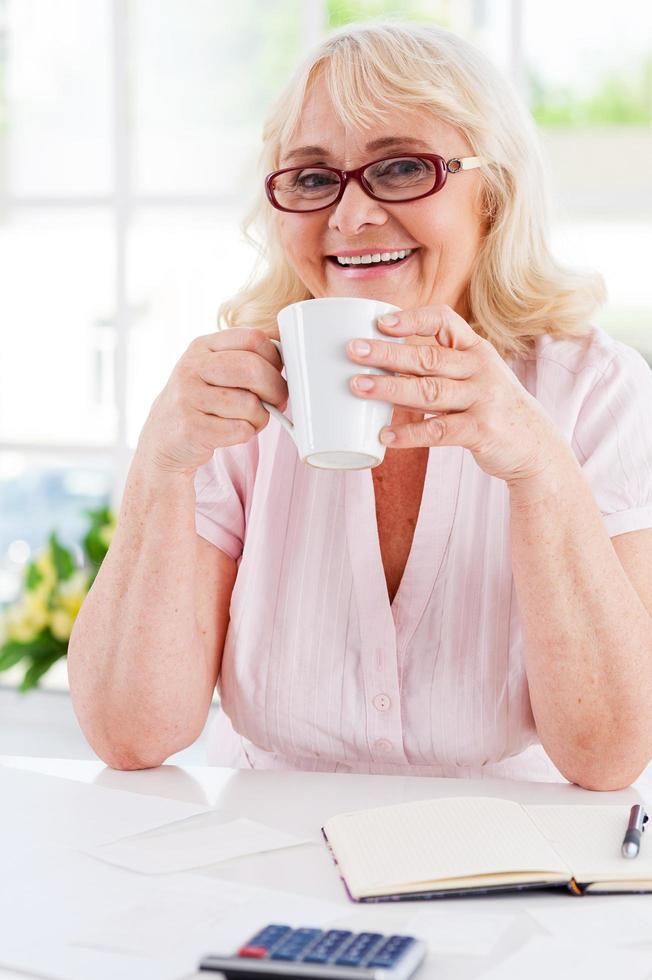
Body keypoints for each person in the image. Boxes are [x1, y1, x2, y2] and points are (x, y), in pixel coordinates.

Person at [68, 20, 652, 790]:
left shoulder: (594, 389)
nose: (349, 217)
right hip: (266, 860)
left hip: (507, 867)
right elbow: (130, 733)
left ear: (493, 196)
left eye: (403, 167)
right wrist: (161, 466)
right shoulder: (234, 396)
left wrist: (538, 467)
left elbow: (609, 755)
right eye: (312, 179)